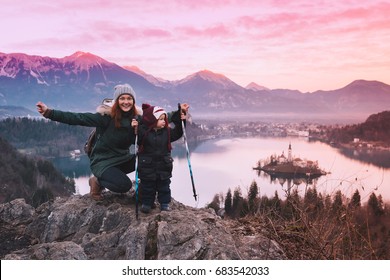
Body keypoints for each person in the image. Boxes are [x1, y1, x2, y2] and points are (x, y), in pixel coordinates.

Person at [37, 84, 140, 200]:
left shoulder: (136, 119)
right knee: (124, 185)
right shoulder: (105, 117)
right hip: (103, 162)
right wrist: (49, 113)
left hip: (122, 159)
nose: (126, 102)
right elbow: (78, 118)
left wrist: (138, 131)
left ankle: (145, 193)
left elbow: (152, 131)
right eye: (122, 98)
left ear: (133, 101)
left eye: (129, 98)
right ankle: (97, 181)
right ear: (116, 101)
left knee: (149, 161)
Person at [137, 103, 186, 213]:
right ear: (152, 120)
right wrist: (135, 125)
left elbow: (178, 133)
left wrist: (181, 120)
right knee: (147, 187)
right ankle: (147, 203)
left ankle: (164, 203)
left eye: (164, 119)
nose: (164, 121)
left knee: (164, 186)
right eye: (161, 119)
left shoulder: (167, 132)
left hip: (164, 166)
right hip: (147, 167)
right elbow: (134, 135)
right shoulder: (143, 132)